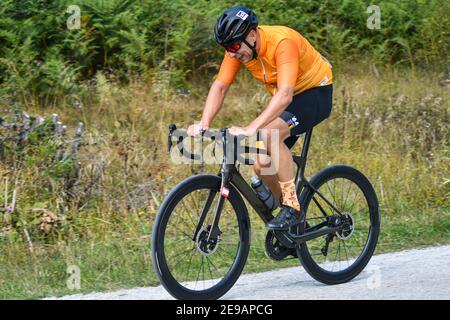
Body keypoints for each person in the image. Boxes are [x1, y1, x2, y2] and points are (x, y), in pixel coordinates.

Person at [187, 5, 333, 231]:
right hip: (289, 97)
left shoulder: (282, 43)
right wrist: (204, 123)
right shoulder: (240, 48)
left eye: (234, 46)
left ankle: (293, 208)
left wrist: (250, 128)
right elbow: (221, 86)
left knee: (270, 134)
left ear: (252, 35)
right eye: (227, 48)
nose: (232, 53)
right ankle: (293, 226)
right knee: (261, 166)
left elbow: (285, 95)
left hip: (315, 92)